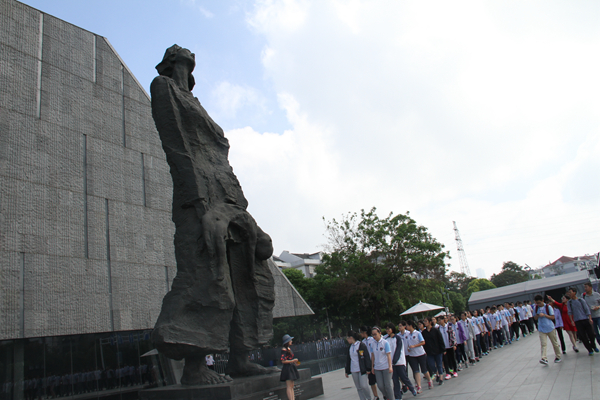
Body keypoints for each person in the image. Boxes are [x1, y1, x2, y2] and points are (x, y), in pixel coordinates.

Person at [385, 323, 416, 398]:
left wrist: (395, 360)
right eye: (386, 329)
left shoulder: (398, 338)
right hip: (392, 364)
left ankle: (411, 388)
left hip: (400, 362)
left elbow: (398, 350)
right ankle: (398, 396)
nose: (387, 330)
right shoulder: (386, 340)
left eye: (389, 328)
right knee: (395, 380)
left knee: (404, 377)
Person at [566, 287, 598, 355]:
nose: (569, 294)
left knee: (591, 334)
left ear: (574, 293)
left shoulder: (581, 300)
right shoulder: (570, 302)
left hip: (585, 319)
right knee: (583, 337)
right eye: (569, 293)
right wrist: (572, 321)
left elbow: (587, 309)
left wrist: (589, 318)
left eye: (570, 292)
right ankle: (589, 349)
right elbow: (569, 312)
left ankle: (593, 345)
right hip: (577, 321)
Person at [532, 295, 561, 365]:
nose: (538, 304)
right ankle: (544, 358)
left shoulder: (548, 307)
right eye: (537, 303)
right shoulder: (536, 308)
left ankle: (558, 356)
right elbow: (535, 318)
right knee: (543, 344)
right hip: (541, 328)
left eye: (539, 302)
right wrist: (537, 315)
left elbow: (552, 317)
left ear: (542, 301)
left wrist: (544, 315)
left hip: (550, 327)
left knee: (555, 343)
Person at [404, 321, 431, 393]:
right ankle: (419, 386)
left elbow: (423, 342)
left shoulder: (418, 333)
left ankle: (429, 380)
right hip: (412, 355)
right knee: (416, 371)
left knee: (424, 370)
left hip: (420, 354)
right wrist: (409, 348)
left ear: (411, 325)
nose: (406, 327)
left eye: (407, 325)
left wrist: (414, 346)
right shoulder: (408, 335)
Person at [345, 331, 372, 400]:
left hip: (362, 369)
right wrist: (347, 371)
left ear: (351, 338)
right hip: (354, 369)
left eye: (347, 338)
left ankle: (369, 398)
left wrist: (368, 368)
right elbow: (348, 359)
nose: (347, 340)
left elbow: (366, 357)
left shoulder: (361, 345)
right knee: (358, 387)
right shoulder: (349, 347)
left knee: (364, 385)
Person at [370, 327, 395, 400]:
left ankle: (391, 398)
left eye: (375, 334)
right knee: (380, 385)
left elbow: (388, 355)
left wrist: (390, 366)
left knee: (388, 385)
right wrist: (372, 367)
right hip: (377, 367)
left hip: (386, 367)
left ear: (380, 333)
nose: (374, 336)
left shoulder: (385, 343)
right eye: (373, 335)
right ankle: (386, 396)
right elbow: (373, 356)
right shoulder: (372, 344)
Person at [421, 318, 445, 386]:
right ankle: (436, 372)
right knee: (431, 365)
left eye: (426, 321)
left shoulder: (435, 330)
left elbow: (440, 340)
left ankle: (441, 378)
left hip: (438, 350)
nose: (425, 322)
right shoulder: (424, 332)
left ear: (430, 322)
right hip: (429, 351)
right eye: (424, 321)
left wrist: (443, 349)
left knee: (439, 364)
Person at [360, 326, 380, 400]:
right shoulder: (363, 342)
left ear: (364, 332)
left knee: (379, 379)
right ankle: (376, 395)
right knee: (371, 381)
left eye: (361, 332)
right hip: (368, 363)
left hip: (375, 361)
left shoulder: (372, 340)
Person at [280, 335, 300, 400]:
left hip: (291, 367)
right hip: (287, 369)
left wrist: (295, 362)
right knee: (289, 386)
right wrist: (292, 361)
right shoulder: (284, 349)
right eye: (290, 340)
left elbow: (291, 358)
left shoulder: (289, 348)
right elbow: (283, 361)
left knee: (292, 386)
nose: (291, 341)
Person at [582, 282, 600, 348]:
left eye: (586, 287)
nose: (585, 289)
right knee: (595, 333)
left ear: (590, 287)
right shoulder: (584, 296)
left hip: (598, 315)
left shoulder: (597, 295)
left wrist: (598, 307)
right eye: (585, 287)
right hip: (591, 317)